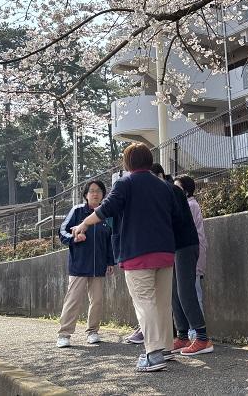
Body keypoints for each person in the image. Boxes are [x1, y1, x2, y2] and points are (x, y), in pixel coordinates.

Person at [70, 143, 180, 372]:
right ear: (149, 161)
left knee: (144, 302)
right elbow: (175, 216)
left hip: (137, 251)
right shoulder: (164, 186)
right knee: (162, 302)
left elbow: (105, 209)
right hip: (166, 251)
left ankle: (153, 355)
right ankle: (166, 348)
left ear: (128, 163)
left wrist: (83, 224)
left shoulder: (126, 183)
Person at [152, 164, 213, 357]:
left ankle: (202, 338)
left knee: (185, 291)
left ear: (160, 176)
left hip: (185, 246)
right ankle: (183, 335)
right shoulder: (166, 191)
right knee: (175, 293)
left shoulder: (170, 191)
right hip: (176, 247)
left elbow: (170, 221)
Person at [56, 180, 115, 348]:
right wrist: (73, 238)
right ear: (85, 195)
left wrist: (110, 261)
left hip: (99, 266)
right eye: (91, 191)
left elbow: (110, 239)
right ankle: (64, 334)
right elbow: (62, 231)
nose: (95, 194)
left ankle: (93, 332)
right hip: (79, 265)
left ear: (103, 195)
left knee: (97, 300)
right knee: (73, 300)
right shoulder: (77, 211)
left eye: (98, 191)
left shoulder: (106, 215)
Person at [175, 175, 208, 319]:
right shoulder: (190, 204)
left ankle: (197, 332)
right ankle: (195, 331)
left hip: (192, 255)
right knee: (192, 291)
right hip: (195, 253)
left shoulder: (190, 205)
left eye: (178, 188)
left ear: (186, 191)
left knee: (194, 293)